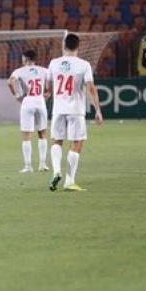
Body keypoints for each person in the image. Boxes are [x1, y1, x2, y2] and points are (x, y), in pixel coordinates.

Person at [45, 33, 103, 191]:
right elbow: (91, 88)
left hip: (58, 109)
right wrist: (97, 110)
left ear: (64, 46)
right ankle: (69, 181)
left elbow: (48, 88)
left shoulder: (53, 63)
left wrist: (48, 93)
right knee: (76, 143)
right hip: (76, 110)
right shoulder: (84, 65)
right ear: (78, 46)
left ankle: (56, 170)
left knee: (57, 141)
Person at [7, 50, 50, 173]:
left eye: (22, 58)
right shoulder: (43, 70)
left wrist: (17, 95)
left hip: (27, 102)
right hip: (40, 101)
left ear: (25, 59)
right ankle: (42, 164)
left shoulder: (19, 71)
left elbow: (11, 81)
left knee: (27, 135)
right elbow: (51, 81)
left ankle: (28, 166)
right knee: (42, 133)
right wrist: (48, 92)